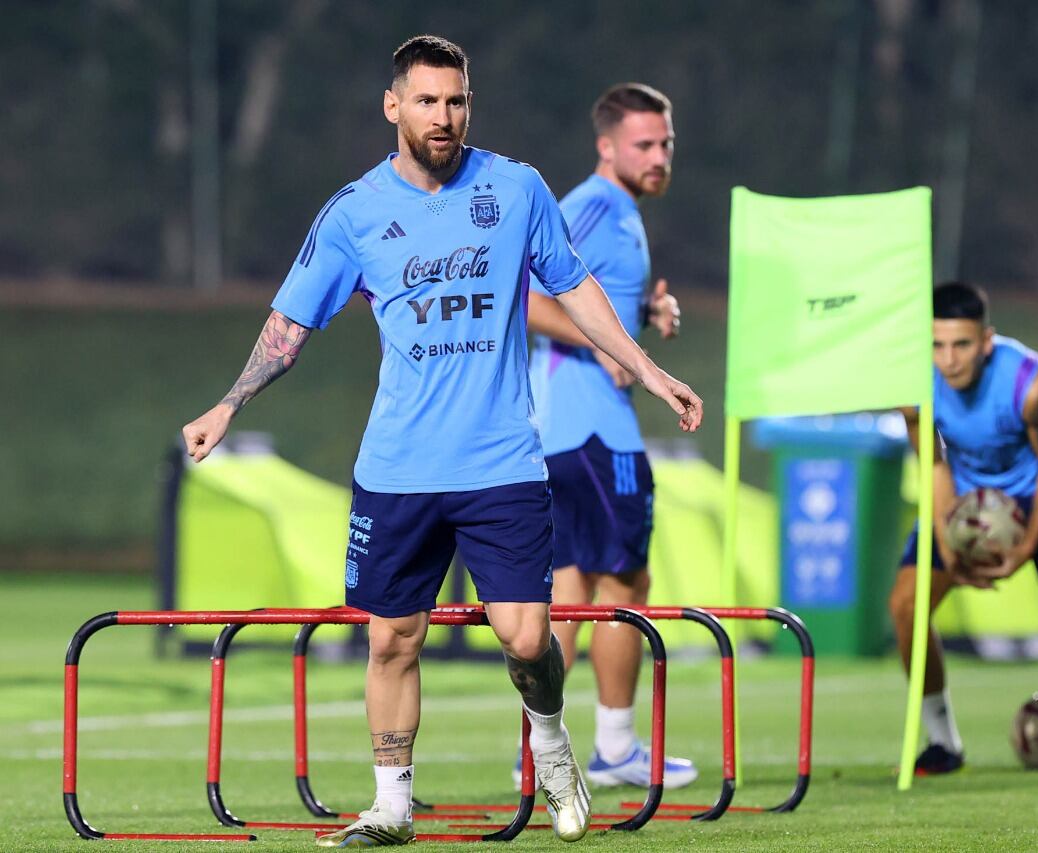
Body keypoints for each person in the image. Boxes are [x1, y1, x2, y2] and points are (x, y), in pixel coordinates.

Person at [180, 35, 703, 847]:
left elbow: (575, 289)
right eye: (427, 100)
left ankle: (553, 738)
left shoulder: (517, 188)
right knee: (393, 636)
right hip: (397, 470)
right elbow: (289, 324)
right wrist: (228, 403)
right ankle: (391, 802)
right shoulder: (354, 212)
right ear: (394, 106)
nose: (444, 116)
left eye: (456, 100)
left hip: (502, 463)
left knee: (528, 637)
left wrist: (647, 367)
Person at [519, 83, 696, 789]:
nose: (657, 157)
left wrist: (645, 314)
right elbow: (527, 295)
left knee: (571, 587)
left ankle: (538, 748)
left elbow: (592, 300)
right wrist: (606, 348)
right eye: (643, 145)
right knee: (626, 581)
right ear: (607, 146)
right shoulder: (594, 204)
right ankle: (616, 747)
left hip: (564, 425)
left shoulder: (620, 213)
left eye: (666, 145)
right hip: (590, 426)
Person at [889, 281, 1038, 780]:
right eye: (937, 345)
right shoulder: (912, 383)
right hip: (967, 501)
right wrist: (950, 544)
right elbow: (933, 464)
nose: (949, 360)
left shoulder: (1030, 383)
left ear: (986, 341)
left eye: (962, 345)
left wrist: (1029, 543)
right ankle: (942, 742)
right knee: (906, 607)